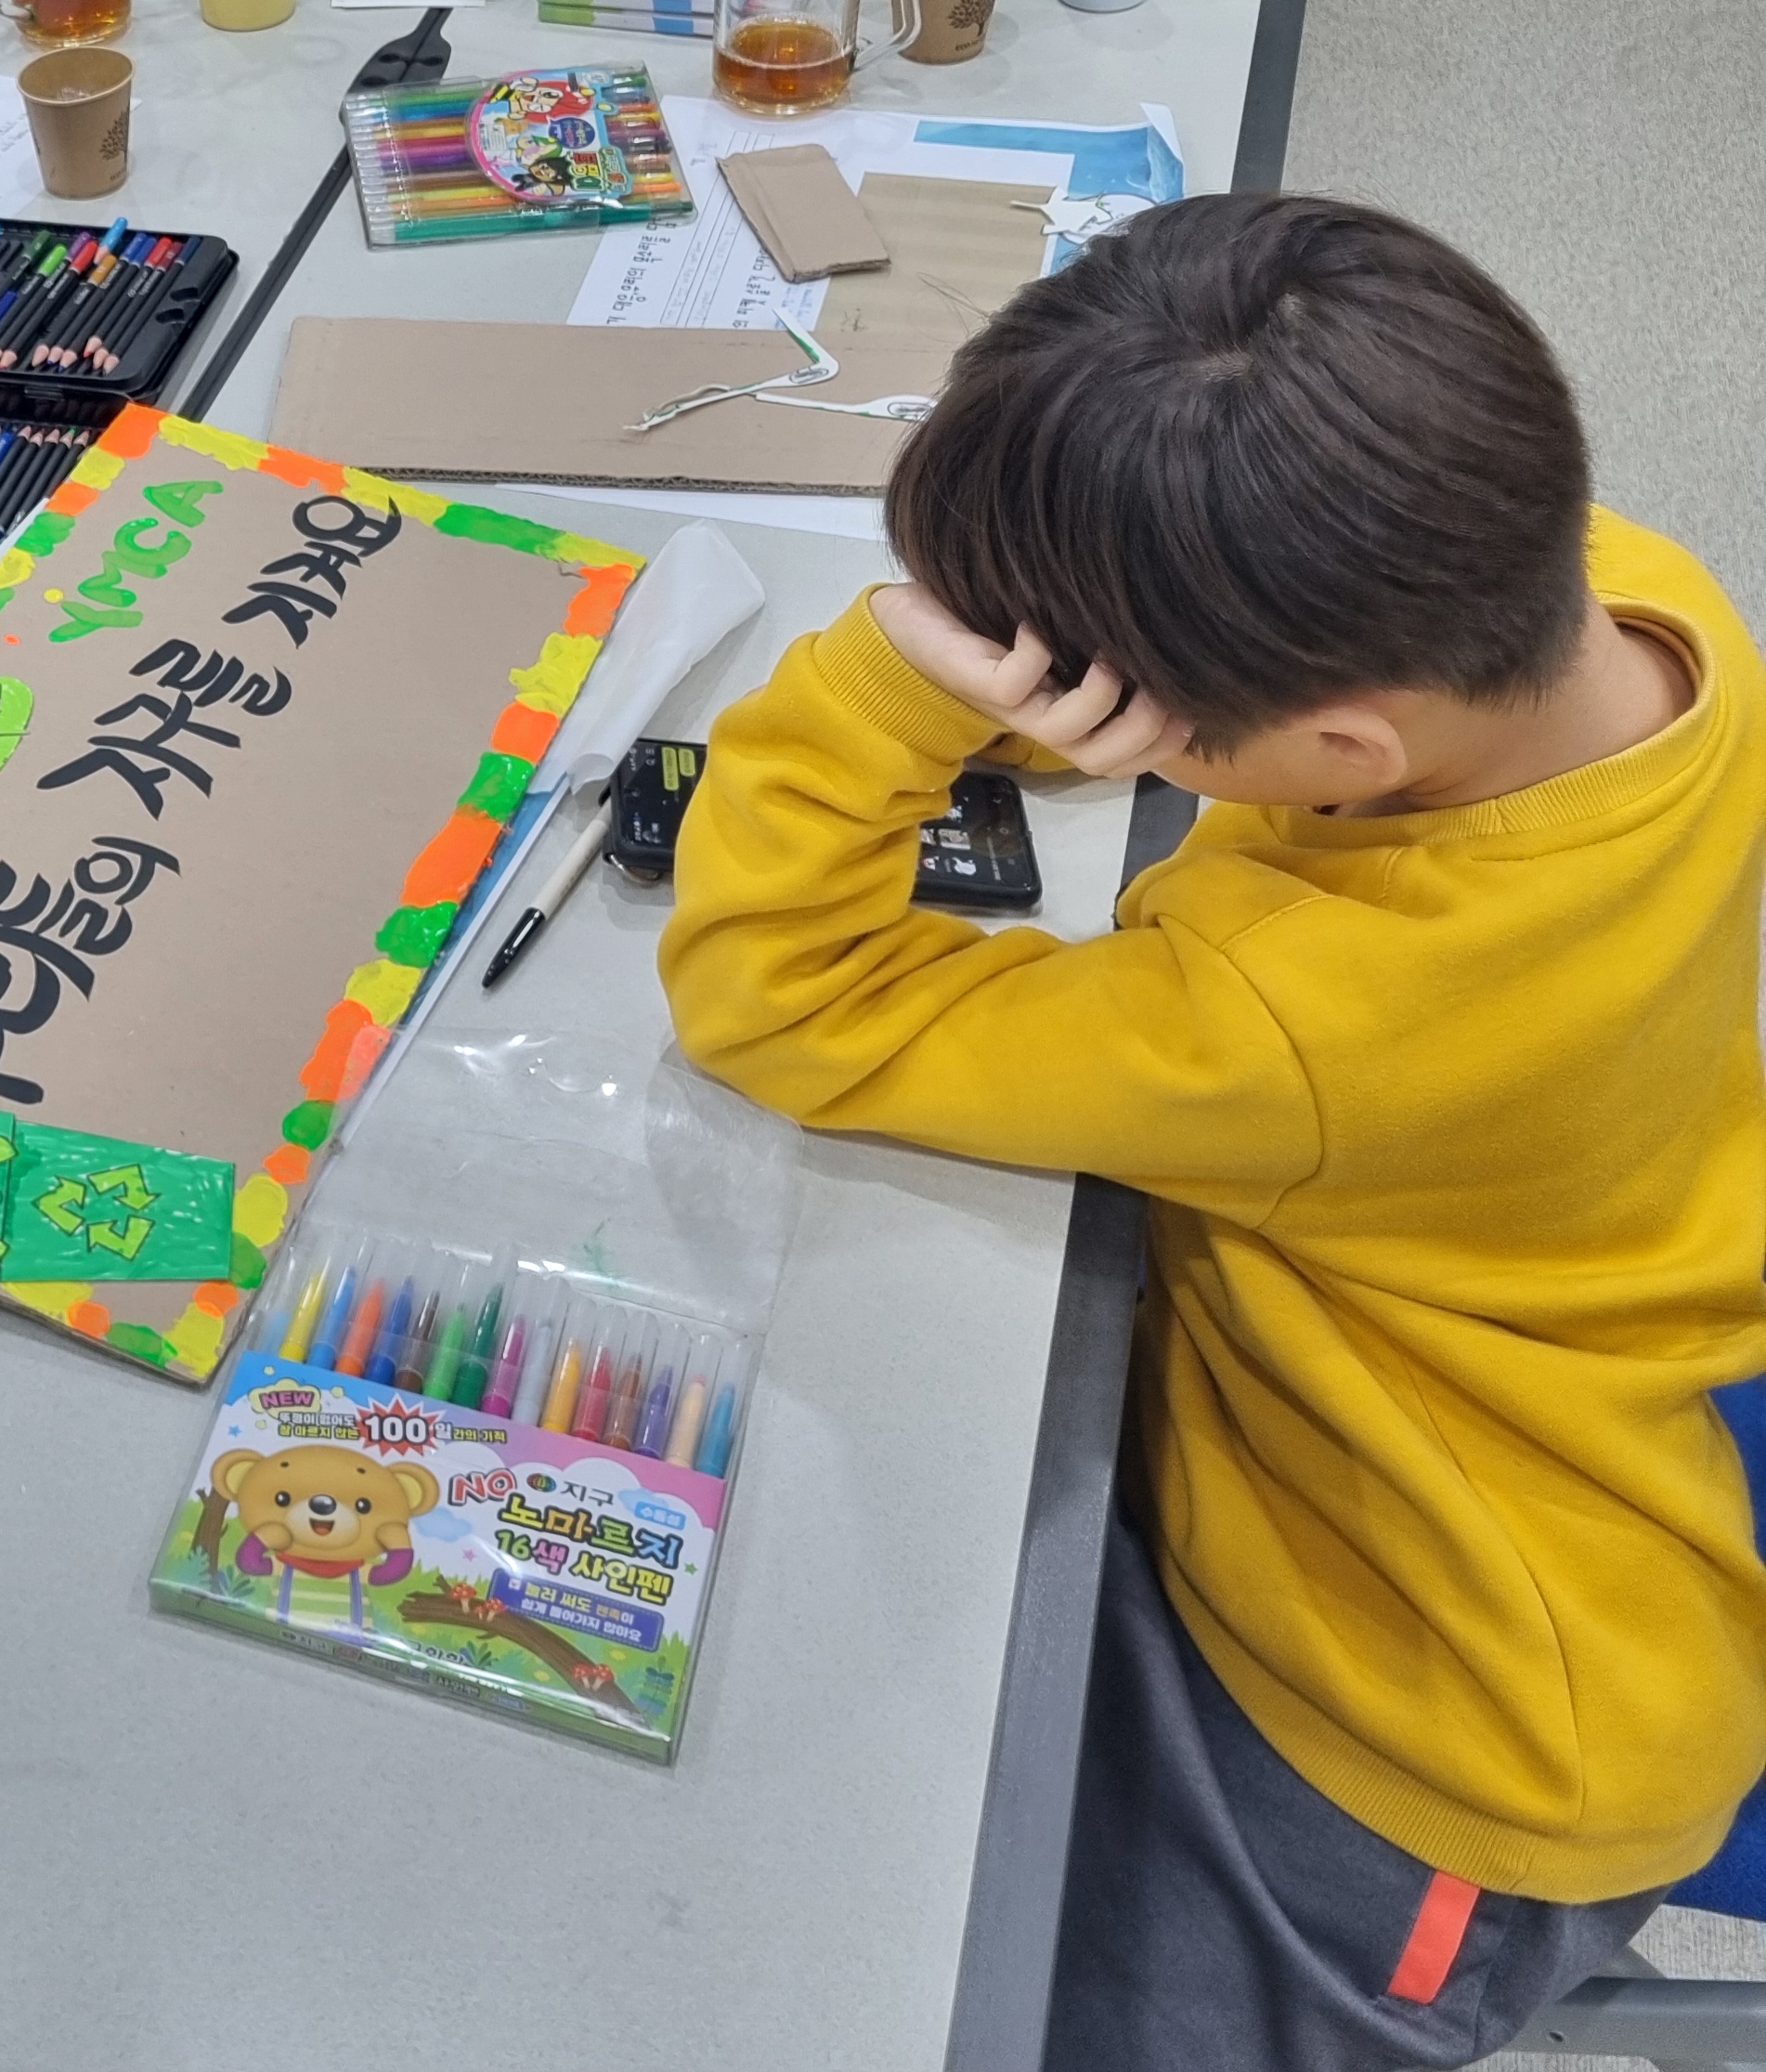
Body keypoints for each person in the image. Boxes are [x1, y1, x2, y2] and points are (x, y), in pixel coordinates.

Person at [656, 193, 1766, 2071]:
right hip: (1537, 1425)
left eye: (1153, 714)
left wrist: (877, 694)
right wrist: (1096, 671)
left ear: (1341, 753)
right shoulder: (1635, 608)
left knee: (970, 1999)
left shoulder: (1298, 1021)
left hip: (1427, 1754)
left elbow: (780, 996)